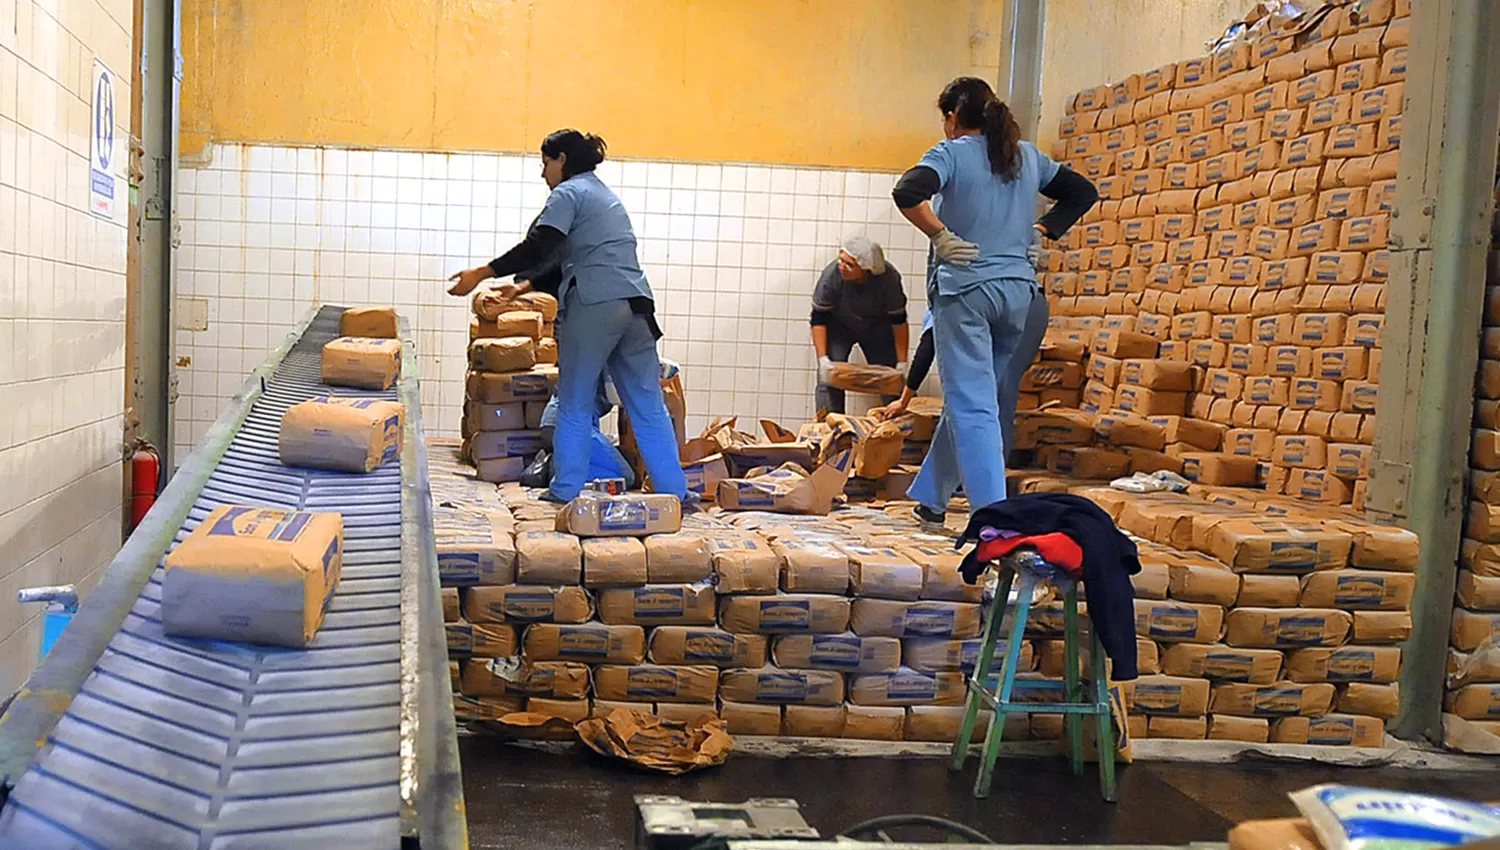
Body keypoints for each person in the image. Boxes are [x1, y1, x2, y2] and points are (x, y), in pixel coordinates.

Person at [890, 76, 1097, 524]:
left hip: (967, 293)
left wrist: (940, 235)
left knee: (973, 404)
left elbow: (907, 192)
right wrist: (1044, 231)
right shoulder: (1026, 158)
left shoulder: (950, 154)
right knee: (975, 398)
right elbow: (1083, 192)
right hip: (1017, 295)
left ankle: (993, 518)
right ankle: (932, 498)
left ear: (951, 118)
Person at [448, 129, 688, 503]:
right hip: (637, 304)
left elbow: (540, 245)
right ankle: (676, 493)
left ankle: (566, 489)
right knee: (647, 405)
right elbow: (568, 258)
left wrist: (482, 273)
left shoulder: (569, 193)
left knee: (574, 400)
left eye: (546, 163)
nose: (543, 173)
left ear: (562, 160)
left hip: (596, 303)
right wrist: (521, 287)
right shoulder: (604, 196)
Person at [810, 236, 909, 416]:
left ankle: (900, 427)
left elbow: (899, 321)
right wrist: (823, 358)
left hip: (877, 328)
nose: (841, 266)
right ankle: (830, 429)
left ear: (866, 269)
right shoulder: (832, 275)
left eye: (849, 264)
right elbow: (818, 319)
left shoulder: (889, 279)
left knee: (893, 381)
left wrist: (902, 362)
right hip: (838, 326)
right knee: (829, 378)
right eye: (841, 260)